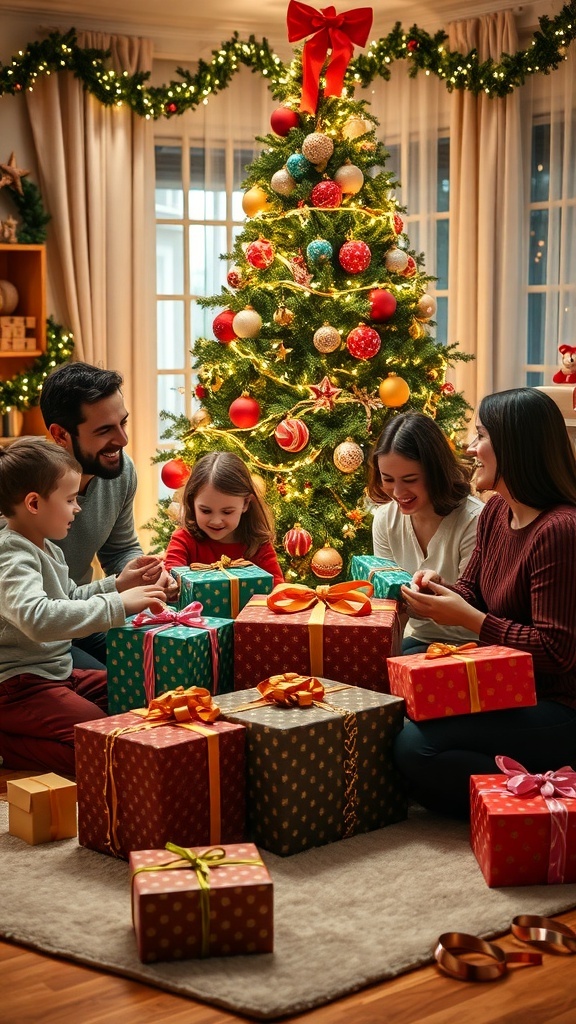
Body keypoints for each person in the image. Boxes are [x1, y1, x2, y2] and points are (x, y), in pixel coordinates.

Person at [396, 388, 576, 817]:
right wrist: (442, 589)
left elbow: (558, 650)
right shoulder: (497, 511)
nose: (469, 447)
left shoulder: (561, 530)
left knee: (415, 749)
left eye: (480, 435)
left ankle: (544, 793)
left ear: (514, 445)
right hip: (508, 687)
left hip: (558, 705)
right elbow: (473, 588)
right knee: (400, 701)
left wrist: (474, 622)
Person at [0, 437, 166, 775]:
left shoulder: (48, 548)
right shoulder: (11, 556)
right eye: (71, 499)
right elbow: (38, 618)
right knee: (102, 749)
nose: (78, 508)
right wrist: (117, 604)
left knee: (136, 694)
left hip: (56, 673)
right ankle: (7, 745)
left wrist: (117, 584)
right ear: (34, 503)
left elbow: (68, 599)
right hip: (18, 687)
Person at [38, 361, 177, 665]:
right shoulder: (21, 488)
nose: (123, 440)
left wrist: (147, 576)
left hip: (86, 615)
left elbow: (120, 549)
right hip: (37, 636)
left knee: (159, 663)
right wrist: (116, 589)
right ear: (60, 434)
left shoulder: (121, 471)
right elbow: (37, 610)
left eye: (122, 423)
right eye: (104, 430)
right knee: (116, 685)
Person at [367, 412, 483, 652]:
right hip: (420, 639)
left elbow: (473, 604)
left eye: (410, 479)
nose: (398, 492)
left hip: (472, 644)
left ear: (435, 472)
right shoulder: (385, 519)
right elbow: (389, 604)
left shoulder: (474, 519)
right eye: (387, 479)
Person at [164, 451, 284, 586]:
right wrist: (169, 585)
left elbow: (277, 590)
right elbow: (170, 582)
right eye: (206, 511)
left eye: (227, 512)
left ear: (245, 504)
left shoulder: (258, 545)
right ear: (192, 502)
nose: (216, 521)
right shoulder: (183, 541)